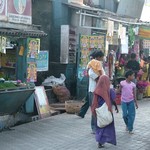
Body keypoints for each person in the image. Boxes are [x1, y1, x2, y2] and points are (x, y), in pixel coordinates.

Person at [91, 75, 118, 148]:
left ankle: (100, 140)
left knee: (100, 126)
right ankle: (105, 140)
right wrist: (116, 107)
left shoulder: (97, 90)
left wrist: (94, 111)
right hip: (107, 111)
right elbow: (113, 99)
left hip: (99, 112)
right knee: (108, 126)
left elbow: (94, 102)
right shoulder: (109, 90)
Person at [88, 51, 105, 134]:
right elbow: (97, 78)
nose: (103, 58)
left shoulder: (99, 66)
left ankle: (99, 125)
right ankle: (94, 127)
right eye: (102, 57)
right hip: (94, 91)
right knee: (94, 109)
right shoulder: (92, 67)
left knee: (100, 109)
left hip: (101, 91)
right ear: (98, 57)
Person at [119, 70, 138, 134]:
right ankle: (127, 124)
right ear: (129, 76)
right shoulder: (122, 83)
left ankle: (130, 128)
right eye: (133, 76)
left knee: (131, 115)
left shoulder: (133, 85)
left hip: (131, 101)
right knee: (124, 115)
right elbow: (119, 91)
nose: (133, 77)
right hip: (124, 101)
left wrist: (136, 102)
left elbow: (134, 94)